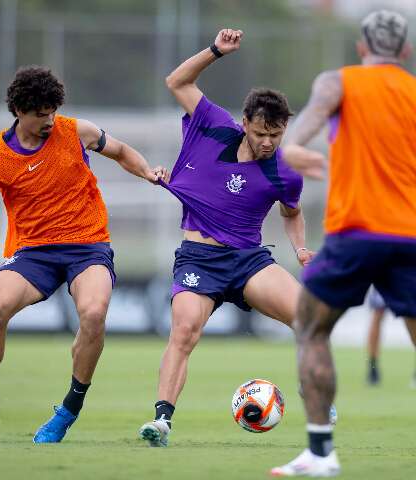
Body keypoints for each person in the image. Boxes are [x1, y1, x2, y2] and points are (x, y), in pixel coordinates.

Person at [0, 66, 167, 443]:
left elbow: (122, 151)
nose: (49, 119)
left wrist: (147, 172)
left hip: (87, 246)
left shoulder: (77, 132)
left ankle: (67, 411)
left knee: (94, 313)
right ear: (19, 112)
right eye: (41, 113)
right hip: (34, 253)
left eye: (52, 111)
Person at [138, 28, 330, 448]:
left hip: (248, 261)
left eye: (275, 135)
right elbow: (177, 82)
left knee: (309, 318)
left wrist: (298, 246)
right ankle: (162, 421)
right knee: (185, 330)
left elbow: (291, 214)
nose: (266, 142)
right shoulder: (211, 125)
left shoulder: (285, 171)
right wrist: (214, 52)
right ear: (244, 123)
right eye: (260, 132)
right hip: (198, 259)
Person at [271, 10, 416, 477]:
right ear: (406, 53)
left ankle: (320, 453)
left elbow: (308, 123)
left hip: (355, 233)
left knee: (311, 328)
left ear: (361, 48)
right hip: (411, 235)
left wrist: (292, 147)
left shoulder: (340, 81)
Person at [366, 286, 416, 387]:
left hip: (405, 273)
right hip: (382, 272)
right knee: (377, 313)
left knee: (410, 314)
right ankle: (373, 367)